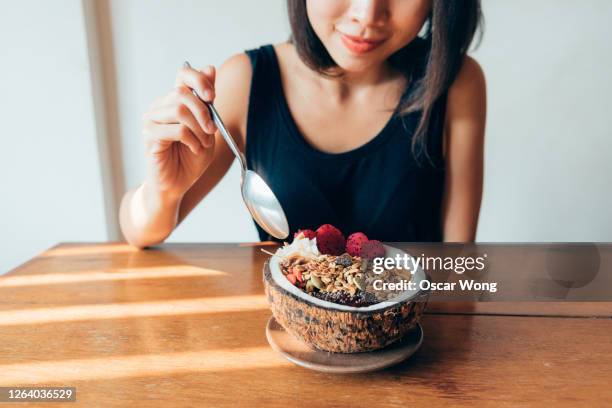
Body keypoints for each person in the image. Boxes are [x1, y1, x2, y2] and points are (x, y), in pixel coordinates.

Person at [120, 0, 486, 247]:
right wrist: (163, 190)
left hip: (414, 342)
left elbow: (458, 266)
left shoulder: (455, 83)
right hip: (285, 340)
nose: (367, 13)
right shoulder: (246, 82)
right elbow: (141, 233)